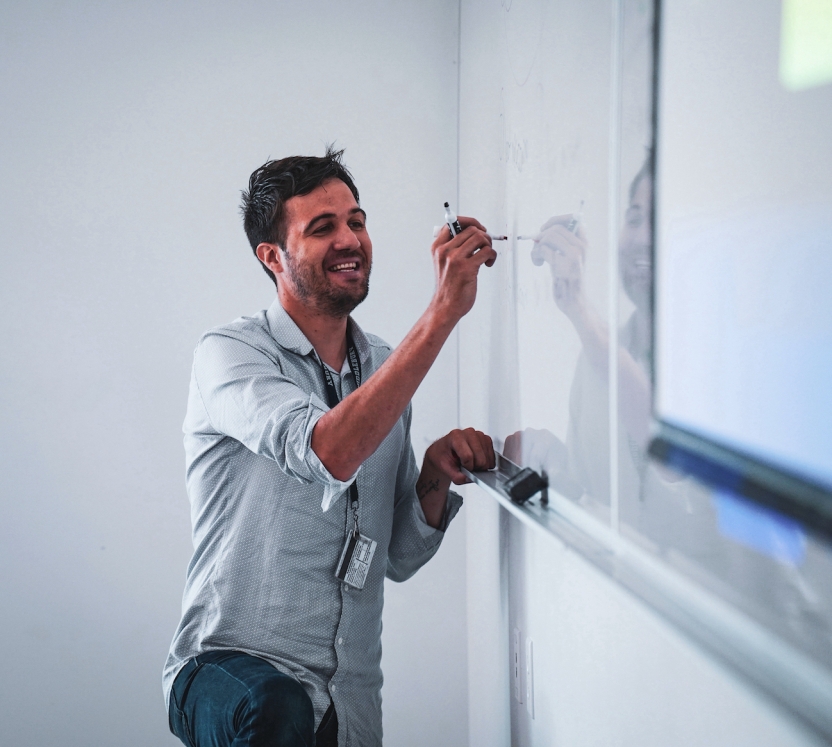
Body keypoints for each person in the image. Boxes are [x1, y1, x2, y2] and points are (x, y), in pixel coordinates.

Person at [163, 147, 497, 747]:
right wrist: (444, 312)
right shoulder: (231, 354)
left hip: (349, 705)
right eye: (323, 228)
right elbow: (325, 453)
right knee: (276, 706)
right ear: (272, 256)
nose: (350, 239)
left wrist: (432, 474)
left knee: (292, 713)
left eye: (357, 221)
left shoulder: (387, 368)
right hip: (230, 674)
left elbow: (395, 557)